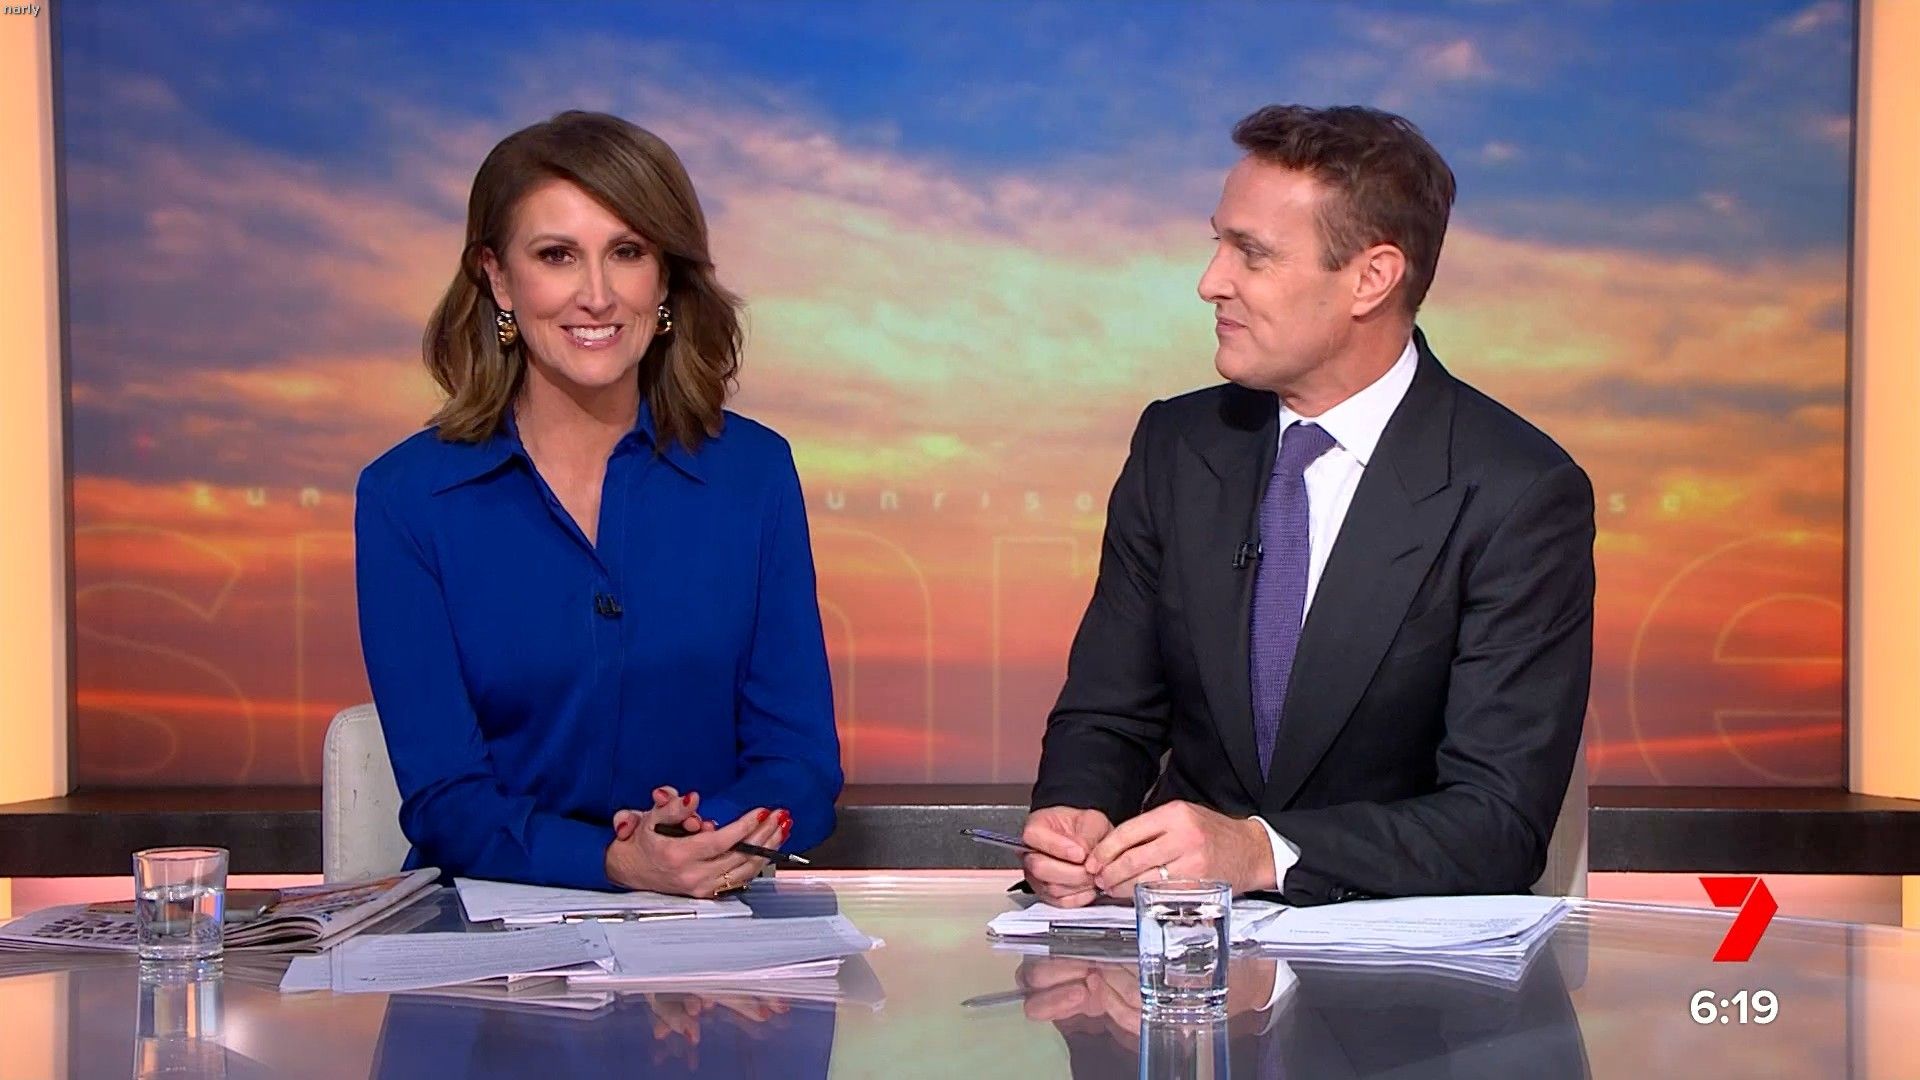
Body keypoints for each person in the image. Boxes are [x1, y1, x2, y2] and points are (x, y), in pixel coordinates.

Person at [1022, 104, 1595, 907]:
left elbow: (1497, 822)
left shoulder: (1516, 492)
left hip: (1403, 972)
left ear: (1372, 278)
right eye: (1218, 243)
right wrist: (1078, 815)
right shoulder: (1176, 446)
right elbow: (1108, 715)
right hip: (1182, 957)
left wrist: (1262, 851)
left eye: (1251, 253)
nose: (1210, 281)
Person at [355, 110, 841, 898]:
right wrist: (613, 862)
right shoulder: (406, 497)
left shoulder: (754, 474)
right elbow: (446, 798)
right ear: (498, 277)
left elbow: (800, 763)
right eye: (557, 256)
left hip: (712, 922)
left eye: (627, 252)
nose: (597, 295)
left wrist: (693, 840)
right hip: (494, 933)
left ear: (666, 277)